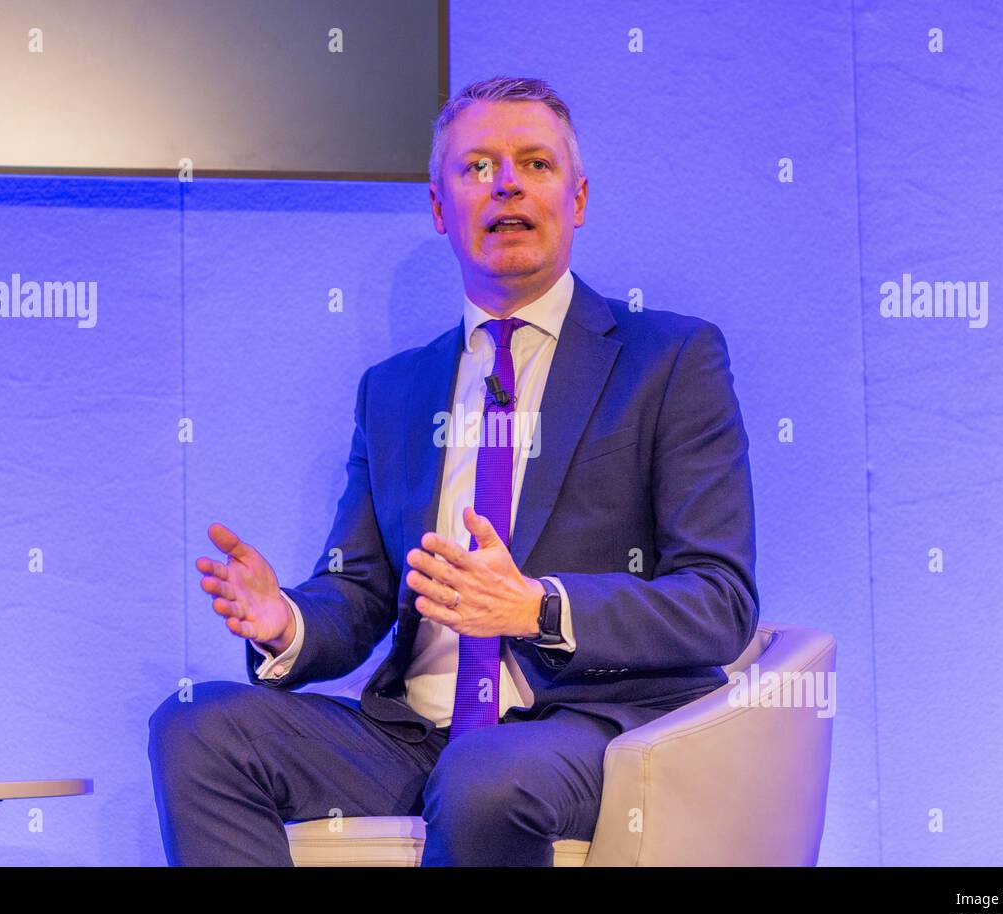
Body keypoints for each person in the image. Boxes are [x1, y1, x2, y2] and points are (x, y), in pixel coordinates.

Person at [148, 75, 759, 866]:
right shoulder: (395, 390)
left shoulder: (671, 359)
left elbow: (719, 598)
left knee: (483, 775)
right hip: (410, 735)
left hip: (583, 726)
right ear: (440, 210)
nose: (506, 183)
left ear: (577, 199)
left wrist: (535, 606)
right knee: (195, 724)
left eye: (534, 164)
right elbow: (362, 594)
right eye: (477, 168)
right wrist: (284, 622)